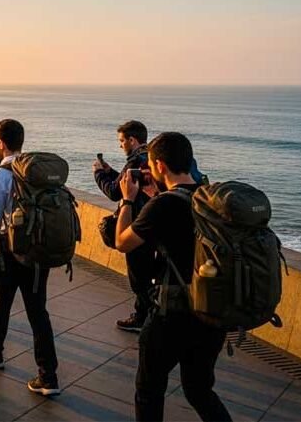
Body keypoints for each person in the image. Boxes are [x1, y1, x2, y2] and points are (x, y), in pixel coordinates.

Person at [115, 132, 232, 422]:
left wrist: (128, 200)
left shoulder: (163, 206)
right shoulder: (209, 198)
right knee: (199, 390)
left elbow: (122, 242)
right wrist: (156, 196)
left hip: (172, 314)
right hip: (211, 311)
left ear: (160, 166)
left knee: (149, 390)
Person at [0, 119, 60, 396]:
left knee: (0, 303)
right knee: (38, 312)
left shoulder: (0, 174)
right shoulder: (35, 171)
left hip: (8, 251)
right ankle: (48, 376)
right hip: (37, 252)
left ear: (0, 143)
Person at [93, 120, 156, 332]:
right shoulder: (150, 158)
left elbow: (114, 192)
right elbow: (124, 184)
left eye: (122, 141)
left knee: (139, 276)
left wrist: (98, 173)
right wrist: (110, 171)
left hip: (136, 223)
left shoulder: (135, 161)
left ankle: (142, 318)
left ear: (132, 140)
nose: (120, 145)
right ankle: (147, 315)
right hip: (152, 221)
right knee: (148, 273)